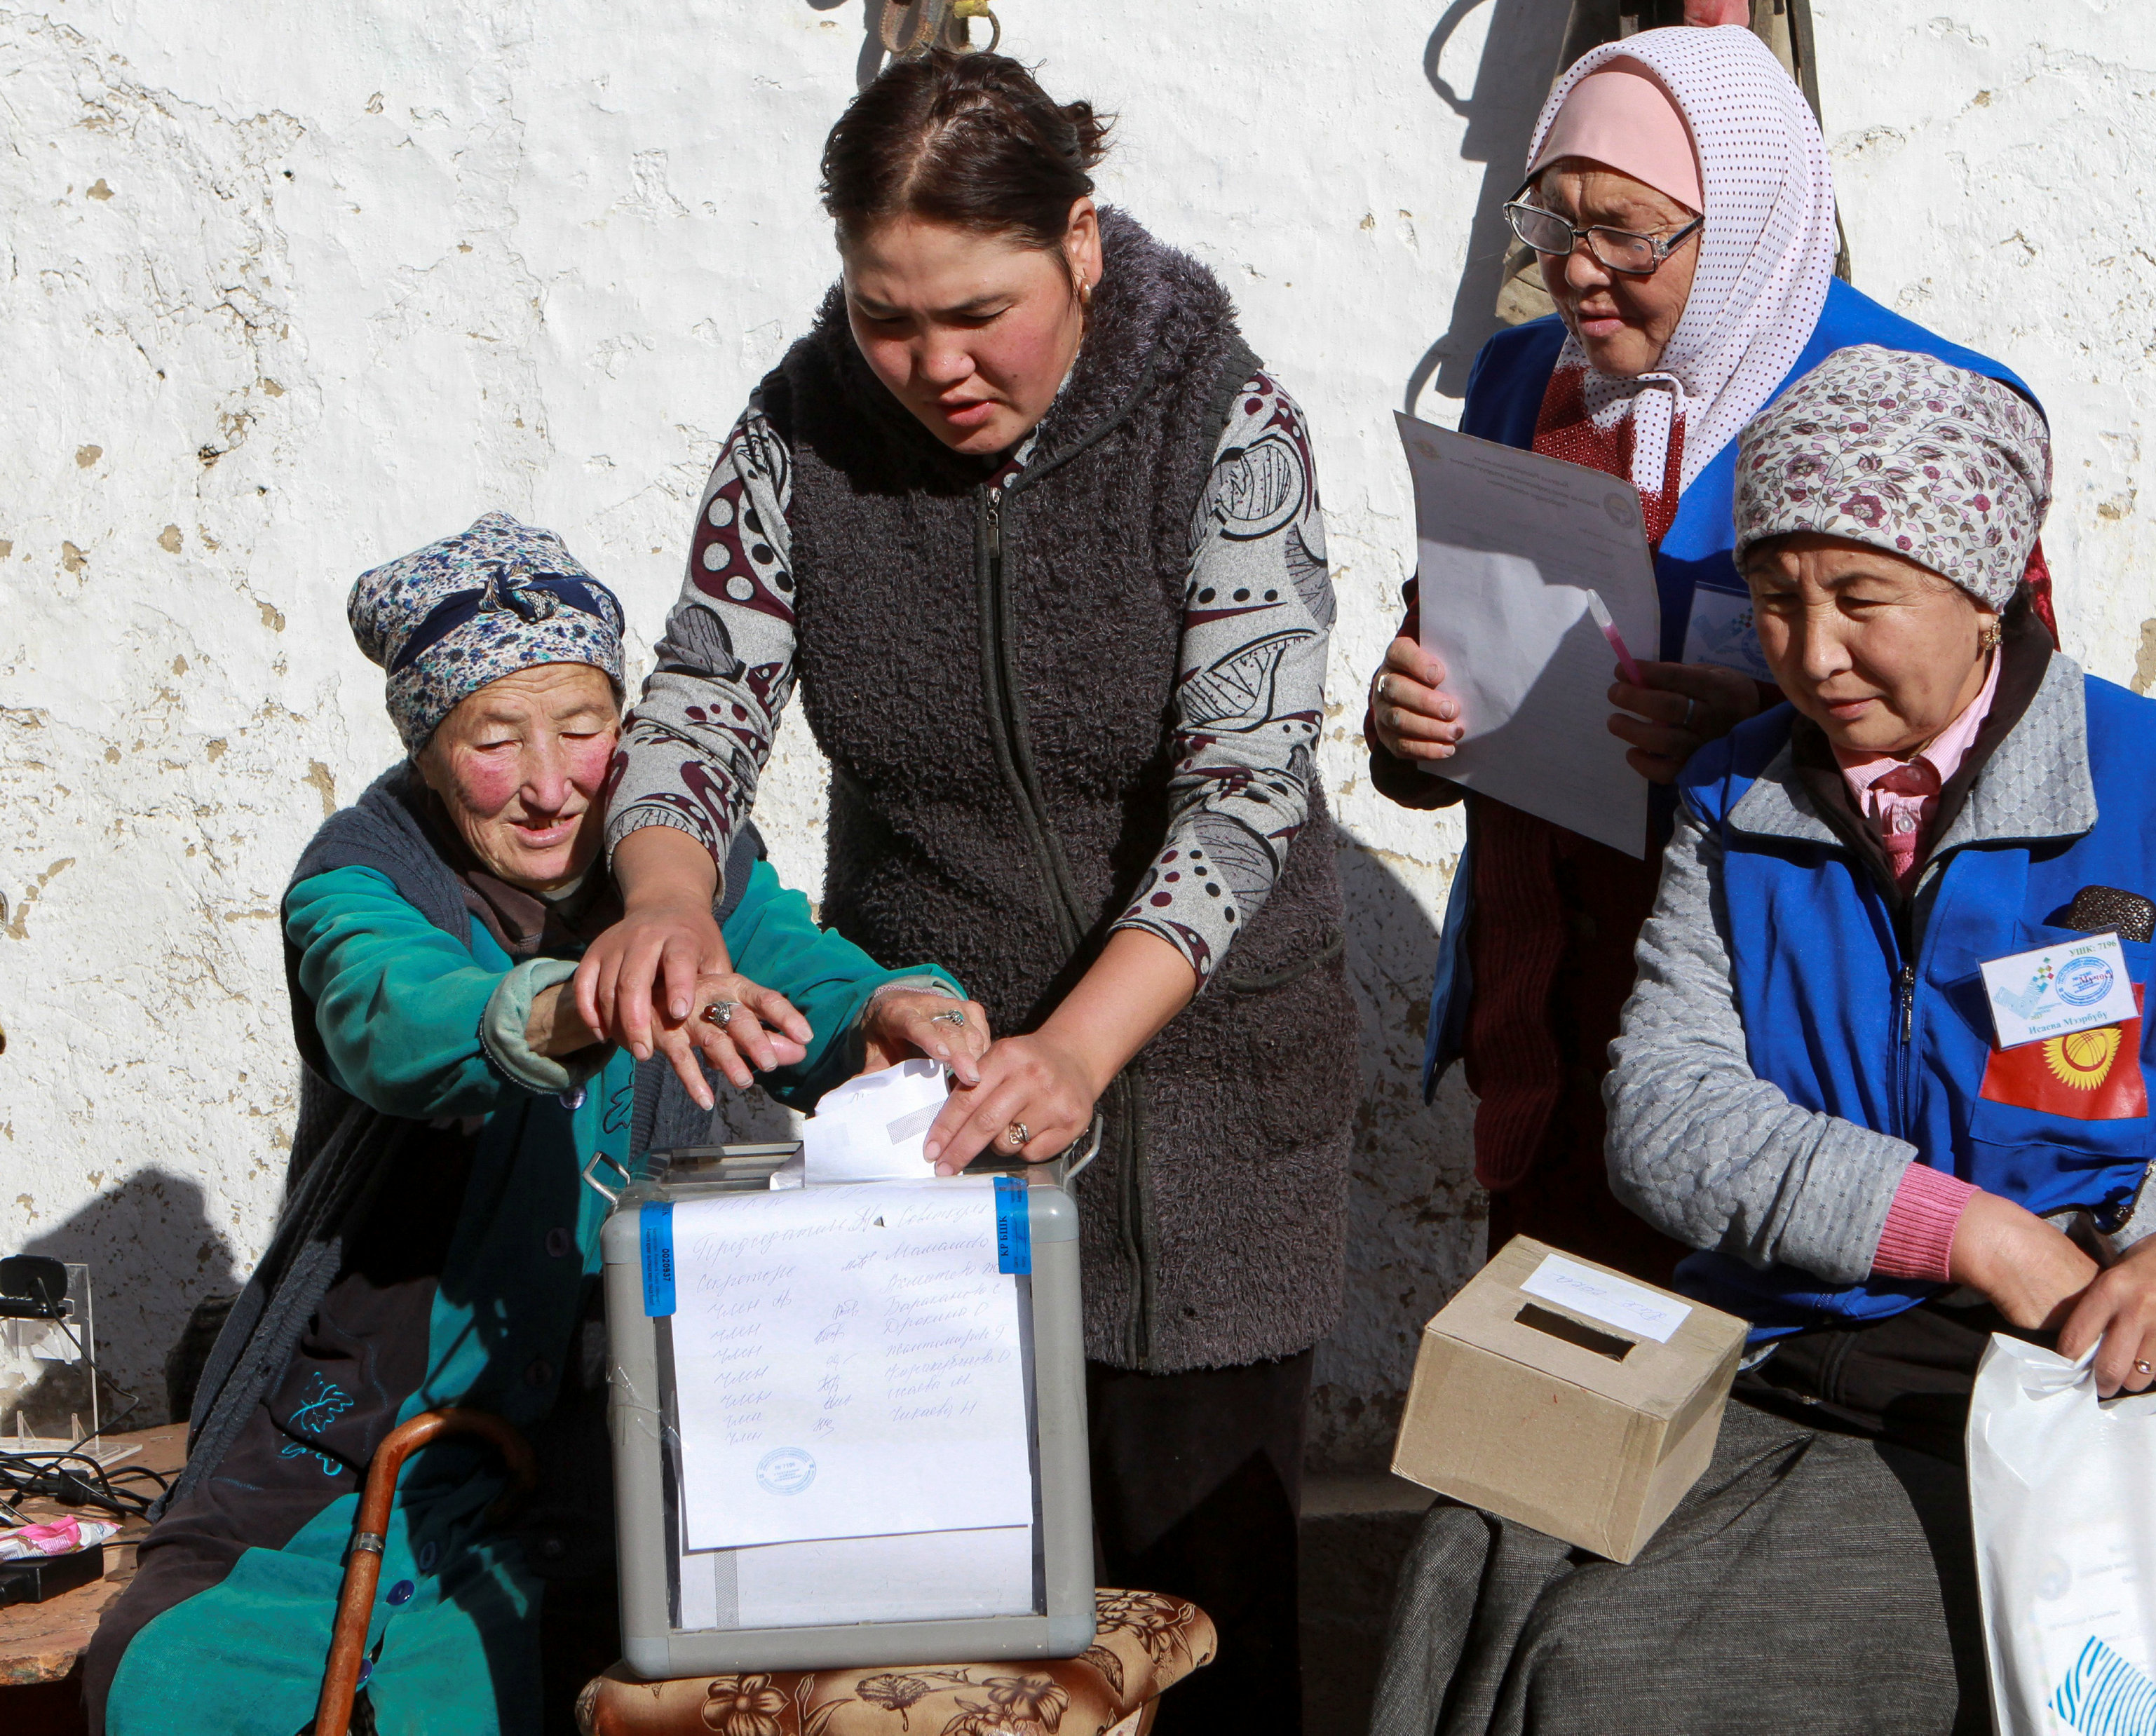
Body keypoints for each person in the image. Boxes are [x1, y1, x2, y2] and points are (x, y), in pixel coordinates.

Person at [1370, 348, 2156, 1735]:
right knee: (1468, 1552)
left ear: (1982, 585)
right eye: (1773, 598)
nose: (1810, 653)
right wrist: (1970, 1229)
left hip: (2052, 1383)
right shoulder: (1735, 797)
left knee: (1612, 1668)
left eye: (1858, 597)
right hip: (1782, 1341)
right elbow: (1666, 1111)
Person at [576, 51, 1357, 1732]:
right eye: (886, 317)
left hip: (1208, 1119)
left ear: (1079, 242)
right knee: (939, 1636)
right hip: (927, 1118)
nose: (935, 367)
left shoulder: (1226, 427)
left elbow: (1246, 790)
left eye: (979, 312)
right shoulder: (794, 437)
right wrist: (663, 892)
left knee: (1202, 1631)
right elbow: (701, 705)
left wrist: (1078, 1048)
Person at [86, 513, 983, 1736]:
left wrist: (889, 1007)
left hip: (617, 1440)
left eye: (584, 729)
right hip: (368, 1434)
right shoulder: (362, 875)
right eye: (496, 741)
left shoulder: (681, 858)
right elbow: (391, 1016)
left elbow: (800, 969)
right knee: (171, 1681)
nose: (553, 783)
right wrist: (577, 1003)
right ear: (430, 746)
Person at [1365, 25, 2058, 1284]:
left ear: (1741, 218)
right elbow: (1454, 625)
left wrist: (1776, 729)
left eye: (1629, 230)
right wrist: (1407, 722)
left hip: (1792, 1062)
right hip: (1560, 1019)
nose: (1577, 272)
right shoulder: (1531, 378)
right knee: (1554, 1430)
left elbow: (2017, 733)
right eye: (1553, 219)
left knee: (1764, 1443)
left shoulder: (1908, 399)